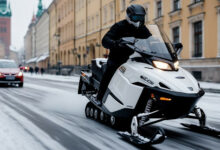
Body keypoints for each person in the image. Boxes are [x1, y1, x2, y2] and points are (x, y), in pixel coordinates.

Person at [94, 4, 152, 106]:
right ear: (129, 16)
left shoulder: (142, 28)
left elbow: (150, 40)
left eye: (141, 17)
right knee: (110, 72)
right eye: (135, 17)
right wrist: (116, 43)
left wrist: (161, 45)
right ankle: (100, 97)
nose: (138, 20)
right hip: (118, 58)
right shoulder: (119, 26)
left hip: (136, 58)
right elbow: (105, 40)